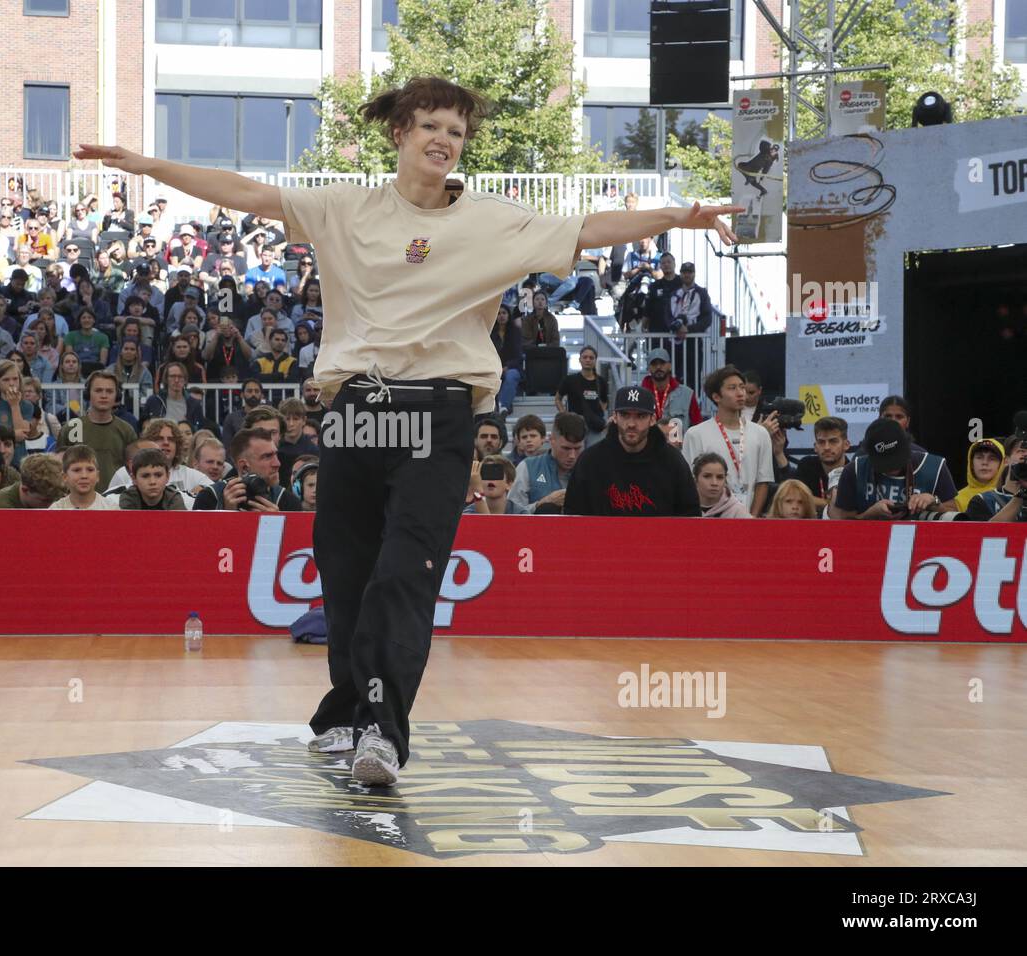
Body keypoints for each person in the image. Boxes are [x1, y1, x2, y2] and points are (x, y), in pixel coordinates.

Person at [77, 75, 738, 786]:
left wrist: (676, 216)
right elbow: (249, 193)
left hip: (440, 412)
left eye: (454, 131)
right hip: (357, 407)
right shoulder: (345, 207)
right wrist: (149, 167)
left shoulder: (495, 219)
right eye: (429, 126)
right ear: (400, 132)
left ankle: (382, 734)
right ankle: (343, 711)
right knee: (346, 570)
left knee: (405, 572)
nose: (443, 141)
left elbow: (585, 229)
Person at [564, 385, 702, 517]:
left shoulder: (673, 462)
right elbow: (573, 514)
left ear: (652, 419)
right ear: (615, 417)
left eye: (640, 416)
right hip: (603, 540)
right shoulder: (590, 461)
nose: (631, 424)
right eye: (625, 415)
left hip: (658, 541)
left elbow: (690, 515)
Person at [682, 365, 775, 517]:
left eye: (742, 387)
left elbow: (763, 481)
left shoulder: (760, 433)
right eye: (732, 388)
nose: (740, 393)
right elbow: (690, 482)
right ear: (716, 396)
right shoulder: (695, 434)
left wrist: (752, 518)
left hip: (748, 517)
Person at [828, 418, 957, 519]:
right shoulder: (854, 470)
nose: (892, 467)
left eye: (896, 459)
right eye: (885, 462)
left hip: (924, 541)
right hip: (868, 542)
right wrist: (869, 515)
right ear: (868, 455)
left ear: (908, 446)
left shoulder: (935, 467)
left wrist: (933, 502)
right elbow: (841, 521)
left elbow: (955, 514)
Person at [55, 370, 137, 491]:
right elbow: (59, 468)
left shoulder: (126, 430)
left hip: (116, 499)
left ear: (117, 396)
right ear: (88, 394)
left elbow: (133, 468)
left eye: (109, 391)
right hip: (77, 498)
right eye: (98, 390)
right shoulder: (70, 428)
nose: (104, 395)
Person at [192, 426, 303, 512]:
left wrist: (276, 523)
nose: (277, 463)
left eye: (276, 455)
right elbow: (197, 540)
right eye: (267, 457)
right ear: (244, 467)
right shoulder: (209, 498)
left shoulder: (288, 502)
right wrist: (225, 512)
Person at [508, 412, 585, 514]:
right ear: (551, 440)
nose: (572, 455)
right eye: (566, 448)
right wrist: (542, 503)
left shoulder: (591, 471)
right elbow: (511, 514)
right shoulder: (527, 467)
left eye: (577, 448)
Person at [641, 347, 702, 442]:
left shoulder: (686, 394)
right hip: (648, 450)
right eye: (654, 364)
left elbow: (697, 426)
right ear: (649, 368)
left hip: (678, 450)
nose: (658, 367)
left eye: (662, 363)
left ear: (670, 366)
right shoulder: (640, 395)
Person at [792, 415, 851, 512]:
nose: (827, 447)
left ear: (846, 445)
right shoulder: (806, 465)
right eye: (821, 442)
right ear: (815, 446)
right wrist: (830, 505)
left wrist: (815, 502)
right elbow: (796, 497)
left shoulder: (854, 470)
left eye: (833, 441)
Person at [555, 346, 607, 446]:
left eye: (591, 358)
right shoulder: (569, 380)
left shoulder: (601, 381)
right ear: (580, 359)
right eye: (585, 357)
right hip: (575, 426)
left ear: (595, 360)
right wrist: (565, 415)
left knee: (593, 457)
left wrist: (598, 415)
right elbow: (558, 399)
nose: (588, 360)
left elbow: (604, 402)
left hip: (595, 428)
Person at [49, 443, 120, 510]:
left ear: (98, 476)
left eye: (90, 470)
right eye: (77, 470)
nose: (84, 476)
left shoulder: (111, 508)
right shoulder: (56, 509)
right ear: (65, 477)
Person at [0, 452, 67, 509]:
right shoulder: (2, 507)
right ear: (25, 490)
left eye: (53, 499)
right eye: (45, 501)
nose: (50, 506)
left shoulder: (53, 491)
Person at [117, 448, 186, 510]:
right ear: (134, 479)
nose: (152, 482)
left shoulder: (174, 498)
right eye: (145, 476)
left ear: (167, 476)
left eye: (158, 475)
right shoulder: (129, 497)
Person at [693, 451, 751, 518]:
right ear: (695, 479)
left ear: (725, 480)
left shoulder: (738, 511)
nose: (714, 483)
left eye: (720, 477)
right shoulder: (683, 508)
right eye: (707, 476)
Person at [954, 438, 1005, 512]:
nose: (985, 462)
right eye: (979, 457)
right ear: (971, 463)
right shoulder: (957, 499)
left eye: (992, 458)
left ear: (1001, 464)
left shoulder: (1010, 496)